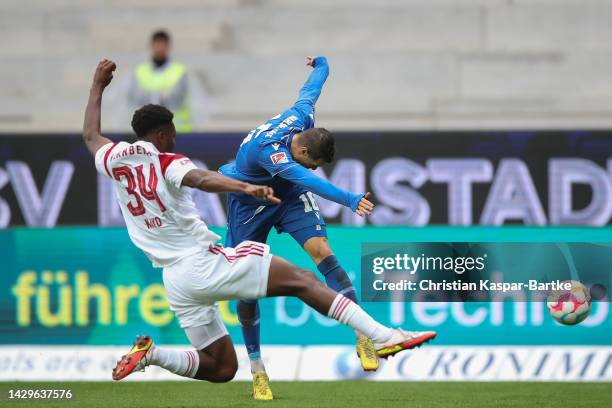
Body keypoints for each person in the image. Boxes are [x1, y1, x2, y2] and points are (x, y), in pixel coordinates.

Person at [83, 59, 436, 389]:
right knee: (304, 280)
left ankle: (153, 354)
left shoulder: (114, 159)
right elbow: (203, 179)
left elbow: (91, 137)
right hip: (206, 256)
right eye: (173, 130)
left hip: (176, 281)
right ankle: (383, 335)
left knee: (220, 367)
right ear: (163, 133)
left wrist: (97, 86)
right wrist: (245, 186)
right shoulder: (168, 161)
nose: (175, 135)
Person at [218, 56, 376, 399]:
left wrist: (322, 63)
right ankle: (257, 368)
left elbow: (312, 88)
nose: (315, 168)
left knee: (322, 250)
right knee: (246, 288)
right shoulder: (271, 152)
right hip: (249, 203)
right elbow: (306, 177)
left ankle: (362, 333)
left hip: (287, 197)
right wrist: (349, 199)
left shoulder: (303, 115)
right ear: (302, 149)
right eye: (314, 162)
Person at [127, 30, 193, 132]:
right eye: (157, 44)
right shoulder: (140, 71)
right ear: (151, 46)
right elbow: (134, 99)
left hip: (176, 130)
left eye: (163, 45)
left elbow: (177, 100)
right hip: (147, 131)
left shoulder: (180, 71)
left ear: (168, 47)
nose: (159, 48)